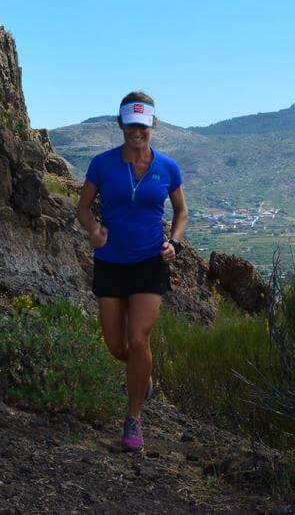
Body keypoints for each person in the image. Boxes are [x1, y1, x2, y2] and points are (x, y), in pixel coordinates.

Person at [76, 90, 188, 452]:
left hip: (149, 262)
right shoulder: (102, 164)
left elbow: (182, 212)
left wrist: (175, 242)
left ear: (152, 124)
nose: (136, 132)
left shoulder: (168, 167)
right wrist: (93, 231)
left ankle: (134, 419)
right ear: (120, 123)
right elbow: (83, 208)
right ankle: (142, 375)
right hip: (110, 262)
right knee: (116, 344)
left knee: (139, 339)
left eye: (143, 125)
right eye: (130, 125)